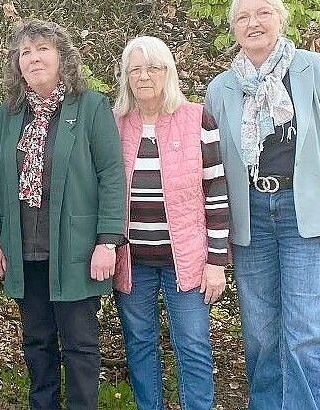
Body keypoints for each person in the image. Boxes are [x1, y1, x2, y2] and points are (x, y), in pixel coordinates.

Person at [205, 0, 320, 410]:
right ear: (233, 29)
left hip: (307, 213)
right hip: (251, 217)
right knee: (261, 332)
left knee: (307, 332)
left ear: (280, 18)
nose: (253, 24)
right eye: (243, 18)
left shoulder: (316, 70)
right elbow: (213, 165)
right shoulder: (221, 88)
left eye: (262, 14)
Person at [0, 19, 126, 410]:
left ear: (62, 57)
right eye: (25, 52)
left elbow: (112, 175)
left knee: (80, 345)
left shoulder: (91, 106)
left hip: (77, 250)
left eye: (42, 49)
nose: (33, 58)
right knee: (37, 343)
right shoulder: (8, 114)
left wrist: (107, 241)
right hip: (23, 249)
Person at [112, 35, 229, 410]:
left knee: (193, 345)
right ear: (126, 77)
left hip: (188, 262)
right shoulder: (115, 124)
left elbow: (216, 191)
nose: (144, 76)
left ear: (168, 72)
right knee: (140, 344)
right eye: (136, 69)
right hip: (132, 262)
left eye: (153, 68)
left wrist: (216, 261)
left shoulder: (196, 119)